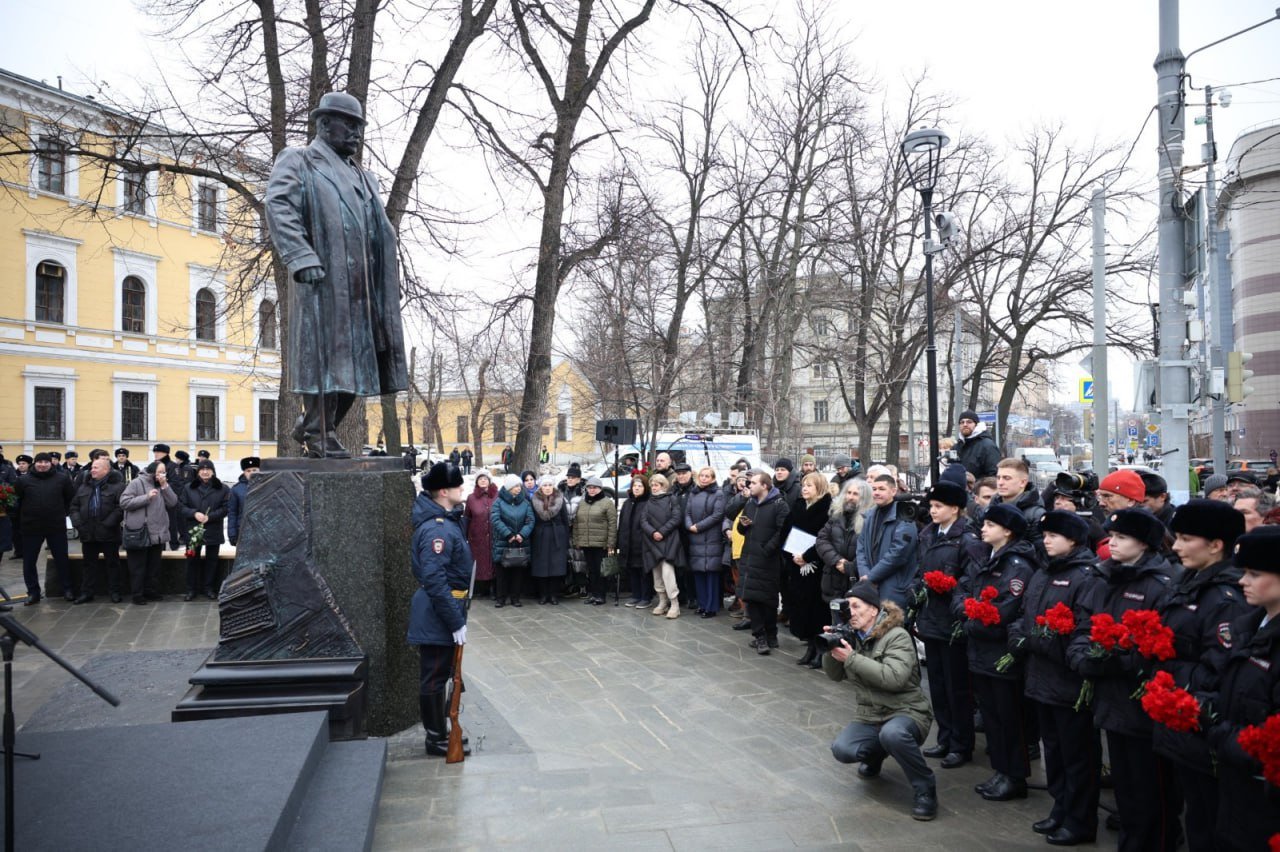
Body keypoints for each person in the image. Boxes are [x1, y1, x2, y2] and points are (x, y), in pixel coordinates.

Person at [264, 91, 409, 458]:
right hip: (324, 279)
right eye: (351, 125)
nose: (357, 134)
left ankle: (311, 426)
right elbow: (278, 205)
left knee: (361, 364)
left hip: (365, 286)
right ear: (325, 123)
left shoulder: (365, 177)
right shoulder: (300, 160)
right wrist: (299, 255)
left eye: (361, 127)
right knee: (324, 359)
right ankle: (318, 430)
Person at [1066, 508, 1179, 851]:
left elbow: (1162, 647)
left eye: (1122, 538)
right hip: (1110, 698)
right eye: (1111, 537)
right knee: (1126, 788)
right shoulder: (1104, 577)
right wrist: (1084, 657)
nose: (1112, 543)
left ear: (1144, 544)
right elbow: (1084, 626)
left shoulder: (1160, 585)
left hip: (1141, 703)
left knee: (1151, 790)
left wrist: (1116, 661)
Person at [1154, 500, 1250, 852]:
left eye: (1185, 538)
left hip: (1200, 725)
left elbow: (1220, 671)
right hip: (1178, 723)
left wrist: (1166, 674)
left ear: (1216, 544)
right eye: (1176, 537)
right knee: (1195, 817)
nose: (1176, 546)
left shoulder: (1226, 599)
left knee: (1210, 823)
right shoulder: (1187, 579)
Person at [1008, 510, 1103, 845]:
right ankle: (1060, 809)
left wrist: (1033, 639)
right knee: (1056, 753)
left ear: (1073, 540)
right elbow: (1024, 613)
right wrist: (1018, 635)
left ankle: (1080, 820)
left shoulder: (1086, 576)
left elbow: (1083, 628)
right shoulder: (1044, 572)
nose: (1045, 540)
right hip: (1041, 677)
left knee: (1078, 756)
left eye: (1052, 535)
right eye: (1044, 535)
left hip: (1067, 682)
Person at [824, 581, 939, 821]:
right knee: (842, 750)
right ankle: (876, 755)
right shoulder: (851, 635)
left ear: (874, 610)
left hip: (907, 712)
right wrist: (831, 645)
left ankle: (925, 789)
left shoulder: (897, 636)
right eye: (848, 607)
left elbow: (894, 678)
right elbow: (834, 676)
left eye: (856, 606)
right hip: (870, 714)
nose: (851, 612)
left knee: (893, 735)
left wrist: (851, 657)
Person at [1202, 526, 1280, 851]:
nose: (1241, 581)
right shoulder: (1249, 626)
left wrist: (1217, 733)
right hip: (1237, 783)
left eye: (1253, 573)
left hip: (1265, 795)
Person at [957, 502, 1038, 802]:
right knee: (992, 717)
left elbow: (1005, 611)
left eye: (990, 525)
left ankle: (1015, 775)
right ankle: (1002, 771)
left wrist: (969, 622)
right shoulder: (988, 557)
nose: (983, 529)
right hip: (981, 653)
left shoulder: (1017, 566)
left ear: (1007, 531)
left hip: (999, 652)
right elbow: (966, 592)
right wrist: (967, 614)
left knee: (1008, 718)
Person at [910, 479, 986, 770]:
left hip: (951, 621)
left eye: (938, 506)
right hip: (931, 618)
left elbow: (972, 578)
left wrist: (950, 588)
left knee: (957, 688)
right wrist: (918, 592)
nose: (932, 511)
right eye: (931, 506)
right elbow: (920, 569)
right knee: (938, 686)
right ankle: (944, 736)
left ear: (955, 509)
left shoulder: (967, 539)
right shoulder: (928, 534)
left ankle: (961, 743)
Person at [407, 461, 471, 758]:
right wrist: (455, 621)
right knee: (433, 677)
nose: (463, 489)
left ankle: (442, 731)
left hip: (443, 609)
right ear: (443, 492)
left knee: (442, 674)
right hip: (438, 612)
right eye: (458, 486)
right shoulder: (438, 529)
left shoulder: (446, 521)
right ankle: (435, 738)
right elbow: (434, 578)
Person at [784, 472, 833, 666]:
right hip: (797, 564)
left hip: (817, 566)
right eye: (804, 485)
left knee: (817, 609)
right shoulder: (797, 506)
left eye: (810, 486)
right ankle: (810, 646)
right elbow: (786, 532)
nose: (804, 488)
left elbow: (825, 538)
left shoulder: (827, 509)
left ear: (819, 488)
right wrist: (793, 556)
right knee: (802, 607)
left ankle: (821, 650)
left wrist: (807, 557)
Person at [739, 470, 790, 653]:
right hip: (750, 557)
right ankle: (759, 636)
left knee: (768, 600)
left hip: (768, 559)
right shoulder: (750, 504)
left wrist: (767, 549)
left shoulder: (779, 505)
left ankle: (771, 635)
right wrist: (742, 525)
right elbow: (740, 528)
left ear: (764, 485)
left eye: (752, 483)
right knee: (752, 599)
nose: (749, 485)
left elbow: (783, 531)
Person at [15, 452, 75, 604]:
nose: (42, 464)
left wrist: (61, 513)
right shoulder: (23, 480)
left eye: (46, 462)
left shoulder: (62, 478)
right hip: (31, 527)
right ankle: (33, 592)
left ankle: (67, 589)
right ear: (34, 463)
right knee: (29, 561)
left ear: (51, 463)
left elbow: (70, 499)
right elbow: (17, 502)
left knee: (61, 559)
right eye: (39, 462)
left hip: (55, 526)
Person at [118, 462, 179, 605]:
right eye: (160, 472)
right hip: (139, 532)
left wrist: (165, 486)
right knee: (138, 567)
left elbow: (173, 502)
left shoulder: (162, 485)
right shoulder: (136, 483)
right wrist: (146, 497)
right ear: (152, 471)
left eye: (164, 472)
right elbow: (124, 502)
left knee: (154, 566)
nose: (162, 475)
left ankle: (150, 591)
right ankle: (137, 594)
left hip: (157, 533)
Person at [68, 457, 125, 604]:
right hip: (88, 533)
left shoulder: (118, 487)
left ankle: (115, 592)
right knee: (88, 565)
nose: (92, 470)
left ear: (106, 470)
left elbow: (120, 508)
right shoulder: (83, 487)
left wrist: (107, 524)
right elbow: (74, 507)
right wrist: (78, 524)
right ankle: (87, 592)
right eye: (92, 467)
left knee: (113, 564)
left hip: (109, 533)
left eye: (96, 468)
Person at [855, 474, 918, 607]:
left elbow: (897, 555)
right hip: (871, 586)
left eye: (881, 489)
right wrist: (865, 574)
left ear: (893, 491)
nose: (876, 493)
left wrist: (870, 577)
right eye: (874, 489)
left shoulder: (904, 516)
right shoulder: (870, 515)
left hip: (893, 589)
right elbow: (861, 547)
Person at [816, 477, 871, 618]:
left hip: (855, 582)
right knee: (836, 627)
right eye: (848, 492)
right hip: (833, 580)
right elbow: (822, 539)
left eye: (855, 494)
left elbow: (870, 550)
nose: (850, 497)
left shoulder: (870, 520)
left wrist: (851, 566)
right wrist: (837, 561)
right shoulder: (836, 515)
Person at [180, 459, 230, 601]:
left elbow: (226, 508)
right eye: (202, 469)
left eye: (208, 469)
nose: (205, 471)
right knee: (191, 560)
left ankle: (209, 588)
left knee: (212, 561)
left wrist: (211, 517)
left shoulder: (223, 488)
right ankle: (191, 589)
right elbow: (181, 506)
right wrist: (194, 513)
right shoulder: (188, 487)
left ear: (213, 471)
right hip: (193, 530)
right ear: (198, 471)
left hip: (213, 529)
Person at [641, 474, 686, 619]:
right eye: (652, 485)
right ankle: (662, 601)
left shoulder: (671, 499)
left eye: (657, 485)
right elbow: (643, 521)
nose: (654, 487)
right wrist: (653, 532)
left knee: (668, 573)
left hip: (669, 541)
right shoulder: (649, 502)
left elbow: (676, 518)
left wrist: (662, 532)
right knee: (657, 574)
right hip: (652, 542)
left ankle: (674, 604)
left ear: (663, 486)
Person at [684, 466, 726, 617]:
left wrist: (698, 527)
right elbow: (687, 512)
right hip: (695, 537)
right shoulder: (693, 493)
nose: (703, 478)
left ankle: (711, 607)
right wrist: (689, 526)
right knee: (699, 573)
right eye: (702, 475)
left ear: (713, 478)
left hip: (710, 538)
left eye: (707, 476)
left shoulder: (718, 494)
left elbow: (717, 515)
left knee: (711, 574)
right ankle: (702, 604)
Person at [490, 474, 534, 608]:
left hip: (521, 542)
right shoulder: (499, 502)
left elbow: (530, 520)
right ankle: (501, 598)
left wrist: (522, 534)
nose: (518, 488)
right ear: (508, 488)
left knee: (518, 572)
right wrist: (508, 534)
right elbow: (495, 519)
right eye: (515, 486)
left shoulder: (525, 502)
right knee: (502, 572)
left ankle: (515, 598)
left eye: (519, 486)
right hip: (503, 542)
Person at [572, 477, 617, 605]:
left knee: (600, 570)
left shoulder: (607, 503)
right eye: (589, 487)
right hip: (586, 542)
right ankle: (593, 594)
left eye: (595, 488)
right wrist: (577, 540)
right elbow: (577, 522)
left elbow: (612, 524)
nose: (592, 490)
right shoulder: (582, 502)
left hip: (601, 543)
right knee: (591, 570)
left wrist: (610, 544)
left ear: (600, 489)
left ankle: (601, 595)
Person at [530, 475, 570, 605]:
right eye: (544, 485)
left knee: (556, 567)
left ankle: (553, 595)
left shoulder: (560, 499)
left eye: (549, 485)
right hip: (540, 536)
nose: (547, 488)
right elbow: (532, 520)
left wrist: (565, 536)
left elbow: (565, 519)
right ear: (540, 487)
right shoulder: (534, 500)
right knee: (541, 566)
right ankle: (543, 595)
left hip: (557, 536)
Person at [617, 475, 653, 608]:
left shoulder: (648, 502)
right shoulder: (627, 503)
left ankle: (646, 597)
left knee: (643, 571)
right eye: (634, 486)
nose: (636, 488)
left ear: (645, 488)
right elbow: (622, 523)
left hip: (642, 543)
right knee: (632, 570)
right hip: (628, 543)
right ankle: (636, 595)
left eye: (640, 486)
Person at [464, 472, 498, 601]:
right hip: (477, 536)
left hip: (494, 535)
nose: (483, 481)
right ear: (476, 482)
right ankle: (480, 588)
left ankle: (494, 588)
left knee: (493, 562)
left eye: (485, 478)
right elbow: (467, 517)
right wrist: (466, 535)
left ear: (489, 481)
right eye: (480, 479)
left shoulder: (496, 495)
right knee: (480, 563)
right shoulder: (471, 498)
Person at [954, 410, 1000, 478]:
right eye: (962, 422)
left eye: (969, 422)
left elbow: (994, 475)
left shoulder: (988, 446)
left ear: (976, 424)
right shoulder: (956, 447)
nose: (965, 424)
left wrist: (975, 484)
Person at [227, 456, 261, 547]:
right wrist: (232, 534)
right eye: (248, 471)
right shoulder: (236, 489)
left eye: (254, 470)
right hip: (243, 531)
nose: (251, 473)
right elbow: (232, 513)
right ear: (244, 472)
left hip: (264, 531)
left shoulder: (267, 485)